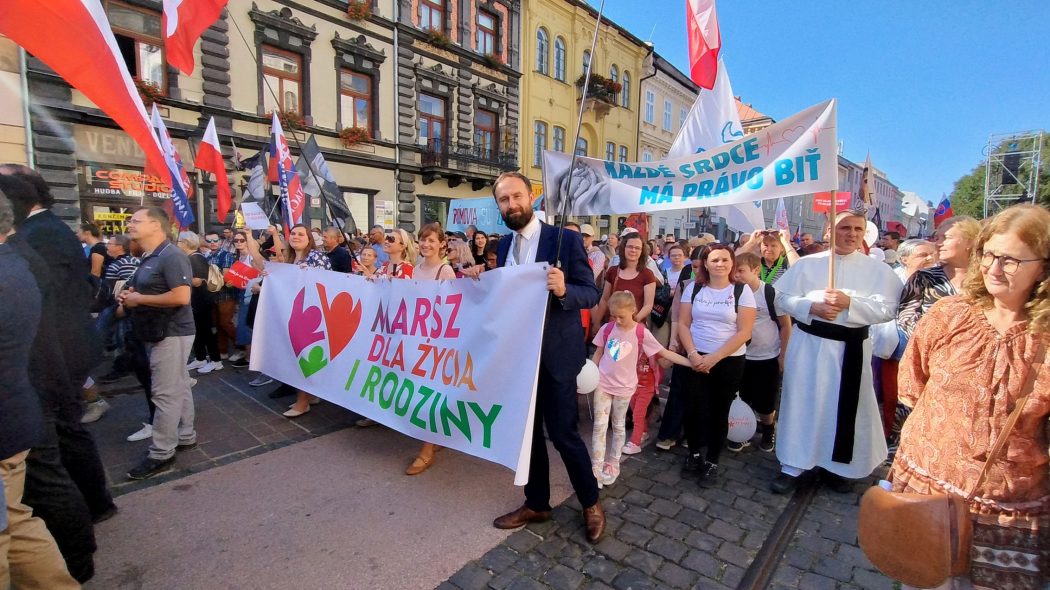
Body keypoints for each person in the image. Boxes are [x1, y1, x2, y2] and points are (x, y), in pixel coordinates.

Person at [890, 204, 1049, 590]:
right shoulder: (949, 314)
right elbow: (911, 385)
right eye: (989, 255)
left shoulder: (1043, 337)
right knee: (922, 580)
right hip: (928, 490)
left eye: (1010, 260)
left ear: (1043, 267)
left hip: (1008, 510)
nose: (994, 268)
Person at [1, 166, 112, 582]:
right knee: (27, 501)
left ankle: (80, 546)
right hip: (42, 370)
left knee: (51, 465)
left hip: (43, 369)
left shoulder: (25, 252)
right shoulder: (27, 246)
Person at [483, 172, 606, 544]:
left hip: (556, 356)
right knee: (528, 437)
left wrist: (565, 289)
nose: (511, 205)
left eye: (516, 196)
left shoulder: (563, 240)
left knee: (565, 435)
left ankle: (591, 503)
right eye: (504, 200)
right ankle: (537, 503)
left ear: (532, 196)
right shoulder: (502, 246)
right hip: (520, 358)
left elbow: (591, 294)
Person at [770, 210, 903, 494]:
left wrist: (850, 303)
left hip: (851, 349)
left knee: (843, 407)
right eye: (844, 227)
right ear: (830, 231)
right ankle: (793, 464)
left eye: (857, 228)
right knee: (803, 402)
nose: (851, 233)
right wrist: (811, 307)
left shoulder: (878, 270)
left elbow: (888, 309)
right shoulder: (807, 264)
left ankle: (839, 465)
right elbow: (782, 298)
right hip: (809, 345)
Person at [0, 190, 80, 589]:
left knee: (13, 526)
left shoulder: (12, 270)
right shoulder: (17, 264)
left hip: (8, 418)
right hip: (16, 414)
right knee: (15, 524)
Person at [119, 206, 197, 480]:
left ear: (156, 225)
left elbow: (181, 297)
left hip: (172, 332)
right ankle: (185, 434)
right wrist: (131, 295)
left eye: (136, 220)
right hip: (158, 331)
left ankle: (162, 452)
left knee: (165, 392)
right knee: (178, 383)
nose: (130, 224)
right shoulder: (150, 256)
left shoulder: (172, 256)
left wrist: (139, 299)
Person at [887, 217, 980, 445]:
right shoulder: (926, 278)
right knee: (914, 421)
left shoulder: (986, 279)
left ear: (970, 241)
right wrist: (937, 346)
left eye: (945, 237)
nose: (937, 243)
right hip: (927, 366)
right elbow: (905, 316)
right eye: (936, 237)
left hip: (971, 369)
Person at [676, 244, 756, 485]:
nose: (719, 264)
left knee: (719, 411)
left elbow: (744, 332)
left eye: (724, 259)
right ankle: (694, 453)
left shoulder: (742, 291)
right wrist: (692, 353)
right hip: (695, 356)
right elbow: (682, 324)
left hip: (728, 360)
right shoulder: (694, 288)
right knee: (692, 408)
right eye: (714, 260)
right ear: (705, 264)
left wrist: (715, 357)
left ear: (732, 263)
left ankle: (712, 460)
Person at [590, 292, 689, 486]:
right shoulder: (607, 328)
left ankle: (613, 463)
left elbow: (664, 353)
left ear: (633, 310)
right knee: (599, 427)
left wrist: (691, 362)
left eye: (621, 316)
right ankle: (596, 467)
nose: (617, 320)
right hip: (603, 383)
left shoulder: (641, 332)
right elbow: (598, 354)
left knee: (618, 427)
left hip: (625, 388)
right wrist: (590, 375)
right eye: (613, 316)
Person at [249, 225, 332, 417]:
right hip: (293, 313)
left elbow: (324, 282)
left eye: (301, 234)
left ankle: (303, 402)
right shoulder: (290, 259)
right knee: (296, 357)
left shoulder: (316, 257)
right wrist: (271, 277)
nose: (296, 236)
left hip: (311, 315)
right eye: (293, 233)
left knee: (304, 357)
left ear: (309, 238)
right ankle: (311, 395)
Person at [403, 224, 458, 475]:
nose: (425, 245)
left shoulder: (445, 271)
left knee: (430, 394)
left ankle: (426, 450)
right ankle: (435, 438)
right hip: (417, 339)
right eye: (422, 240)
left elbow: (454, 310)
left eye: (431, 241)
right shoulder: (416, 270)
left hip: (437, 343)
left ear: (441, 244)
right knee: (420, 392)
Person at [731, 252, 792, 452]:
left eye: (741, 271)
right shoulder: (734, 292)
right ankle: (743, 431)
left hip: (767, 356)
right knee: (742, 396)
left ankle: (768, 430)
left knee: (766, 401)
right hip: (741, 354)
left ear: (756, 270)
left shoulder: (771, 293)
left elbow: (785, 326)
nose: (737, 275)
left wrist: (783, 355)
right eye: (735, 271)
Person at [655, 244, 704, 451]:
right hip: (686, 343)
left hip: (708, 345)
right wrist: (674, 342)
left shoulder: (723, 285)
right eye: (694, 266)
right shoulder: (686, 282)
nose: (698, 271)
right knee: (678, 388)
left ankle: (694, 433)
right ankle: (670, 432)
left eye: (702, 267)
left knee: (701, 393)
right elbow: (676, 316)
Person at [179, 232, 223, 375]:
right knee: (197, 331)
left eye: (179, 241)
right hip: (196, 301)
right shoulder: (191, 257)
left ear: (186, 243)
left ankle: (216, 361)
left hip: (202, 301)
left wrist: (179, 279)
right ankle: (200, 357)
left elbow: (197, 281)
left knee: (206, 331)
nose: (177, 244)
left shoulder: (196, 258)